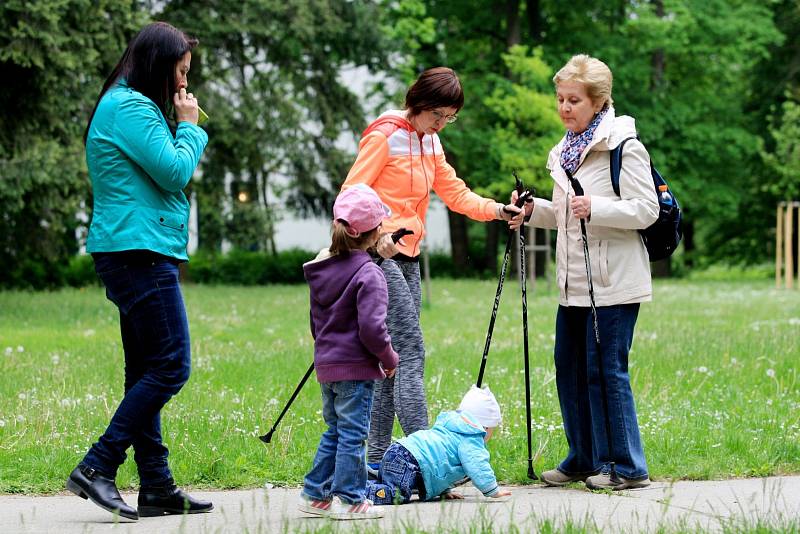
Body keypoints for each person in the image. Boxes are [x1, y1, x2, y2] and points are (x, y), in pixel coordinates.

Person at [341, 67, 526, 466]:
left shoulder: (431, 143)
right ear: (419, 103)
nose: (441, 124)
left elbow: (454, 193)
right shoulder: (385, 135)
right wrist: (374, 238)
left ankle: (375, 461)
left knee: (390, 357)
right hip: (379, 255)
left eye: (449, 118)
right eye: (437, 115)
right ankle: (424, 459)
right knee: (411, 351)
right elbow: (351, 193)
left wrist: (497, 209)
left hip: (409, 257)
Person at [66, 22, 212, 520]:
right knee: (172, 365)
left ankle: (156, 485)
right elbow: (174, 171)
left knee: (145, 371)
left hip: (136, 247)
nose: (183, 83)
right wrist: (190, 126)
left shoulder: (131, 105)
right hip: (137, 252)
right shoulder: (128, 106)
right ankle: (97, 465)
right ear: (158, 62)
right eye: (181, 70)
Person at [517, 54, 657, 490]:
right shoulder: (565, 152)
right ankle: (583, 458)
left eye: (573, 100)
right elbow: (565, 215)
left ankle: (627, 467)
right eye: (560, 99)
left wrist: (597, 207)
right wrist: (530, 210)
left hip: (613, 283)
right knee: (570, 369)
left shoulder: (623, 147)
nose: (564, 107)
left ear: (597, 102)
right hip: (572, 283)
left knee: (605, 371)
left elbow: (646, 209)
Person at [297, 184, 400, 520]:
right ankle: (351, 499)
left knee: (336, 431)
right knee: (354, 435)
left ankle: (316, 493)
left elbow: (316, 323)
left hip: (327, 366)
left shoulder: (323, 270)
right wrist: (389, 358)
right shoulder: (369, 274)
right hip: (356, 370)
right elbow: (372, 329)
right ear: (374, 234)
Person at [366, 385, 513, 504]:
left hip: (398, 451)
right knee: (396, 495)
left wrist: (444, 491)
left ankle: (362, 478)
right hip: (409, 461)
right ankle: (357, 490)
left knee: (389, 484)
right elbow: (477, 466)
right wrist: (492, 490)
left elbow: (438, 462)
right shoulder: (472, 438)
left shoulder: (450, 427)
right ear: (485, 427)